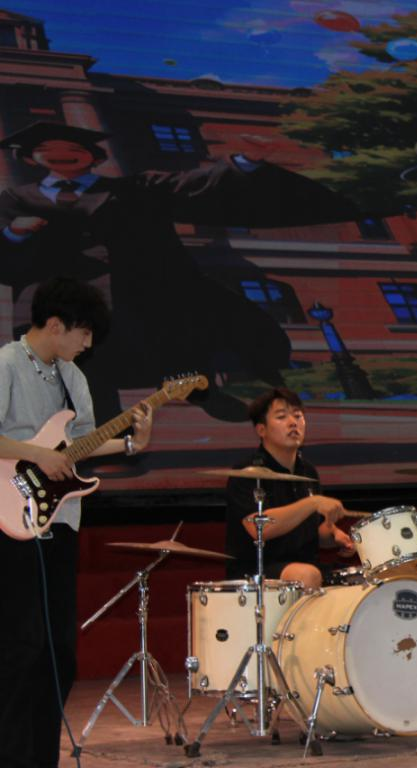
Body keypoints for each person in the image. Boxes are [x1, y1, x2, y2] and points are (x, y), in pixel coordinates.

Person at [0, 121, 359, 422]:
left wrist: (245, 161)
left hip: (139, 291)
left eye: (73, 148)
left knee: (176, 342)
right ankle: (109, 442)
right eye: (47, 149)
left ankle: (199, 389)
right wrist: (14, 232)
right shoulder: (15, 200)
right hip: (58, 302)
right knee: (84, 373)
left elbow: (195, 185)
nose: (61, 154)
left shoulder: (136, 188)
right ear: (31, 158)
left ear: (94, 157)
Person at [0, 276, 154, 768]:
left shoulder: (73, 379)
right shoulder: (6, 364)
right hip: (10, 518)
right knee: (20, 648)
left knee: (58, 652)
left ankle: (41, 756)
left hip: (61, 520)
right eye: (83, 333)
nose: (87, 344)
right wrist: (37, 455)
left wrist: (130, 443)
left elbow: (79, 445)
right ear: (54, 325)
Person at [224, 387, 353, 589]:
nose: (293, 422)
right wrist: (312, 503)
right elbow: (259, 528)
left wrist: (334, 535)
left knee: (356, 579)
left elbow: (316, 532)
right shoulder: (247, 472)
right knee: (307, 575)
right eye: (281, 417)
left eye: (298, 416)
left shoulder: (308, 472)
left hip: (306, 565)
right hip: (257, 570)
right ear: (261, 430)